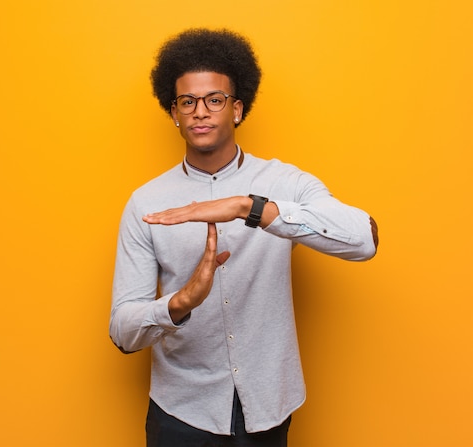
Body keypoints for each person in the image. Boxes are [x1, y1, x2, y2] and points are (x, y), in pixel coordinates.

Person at [109, 28, 378, 447]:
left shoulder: (283, 181)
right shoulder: (147, 203)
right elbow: (123, 332)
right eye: (187, 102)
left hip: (269, 404)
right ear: (174, 113)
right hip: (181, 412)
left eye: (214, 100)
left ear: (236, 109)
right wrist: (180, 303)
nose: (201, 111)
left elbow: (363, 240)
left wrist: (250, 208)